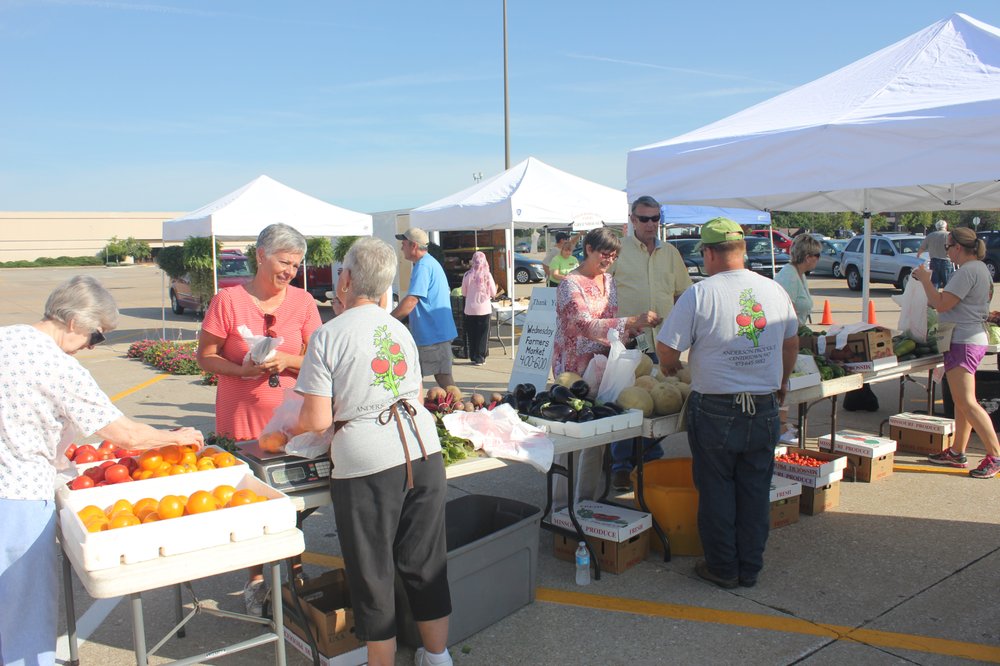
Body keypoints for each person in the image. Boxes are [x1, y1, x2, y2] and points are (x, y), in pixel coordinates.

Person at [0, 275, 204, 666]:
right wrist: (175, 437)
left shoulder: (7, 337)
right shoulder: (58, 366)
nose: (93, 346)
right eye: (96, 336)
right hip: (21, 497)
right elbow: (125, 435)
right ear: (75, 322)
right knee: (25, 605)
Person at [295, 237, 452, 666]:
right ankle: (437, 657)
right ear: (386, 288)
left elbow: (316, 420)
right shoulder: (399, 328)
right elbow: (415, 393)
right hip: (423, 451)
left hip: (367, 462)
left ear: (344, 280)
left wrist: (289, 432)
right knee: (425, 562)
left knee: (372, 573)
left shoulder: (328, 335)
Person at [656, 218, 798, 589]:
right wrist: (782, 381)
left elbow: (666, 347)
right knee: (753, 489)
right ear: (743, 251)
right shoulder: (773, 289)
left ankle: (723, 567)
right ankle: (749, 567)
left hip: (717, 407)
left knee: (718, 489)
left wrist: (671, 369)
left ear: (707, 253)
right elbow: (791, 342)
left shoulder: (701, 293)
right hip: (765, 405)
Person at [197, 222, 322, 615]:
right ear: (260, 256)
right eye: (284, 262)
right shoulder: (228, 301)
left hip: (290, 417)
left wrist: (286, 360)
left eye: (296, 265)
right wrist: (240, 370)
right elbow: (205, 355)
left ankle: (294, 572)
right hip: (240, 413)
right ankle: (255, 579)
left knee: (297, 496)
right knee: (250, 499)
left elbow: (319, 358)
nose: (290, 271)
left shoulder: (303, 302)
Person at [552, 227, 658, 502]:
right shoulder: (569, 285)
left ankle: (587, 502)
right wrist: (631, 321)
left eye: (613, 256)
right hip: (573, 371)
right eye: (604, 254)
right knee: (571, 438)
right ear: (588, 249)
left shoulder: (609, 281)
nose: (608, 260)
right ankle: (562, 506)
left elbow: (609, 323)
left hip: (604, 366)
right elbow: (583, 325)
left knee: (597, 439)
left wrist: (627, 333)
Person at [608, 195, 692, 490]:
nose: (650, 224)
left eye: (655, 218)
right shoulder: (618, 251)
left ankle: (649, 458)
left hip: (664, 344)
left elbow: (684, 294)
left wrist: (686, 328)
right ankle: (620, 466)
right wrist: (623, 325)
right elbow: (600, 291)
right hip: (629, 344)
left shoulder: (670, 253)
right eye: (644, 218)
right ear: (632, 220)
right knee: (628, 405)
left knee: (662, 406)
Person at [914, 227, 1000, 479]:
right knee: (962, 402)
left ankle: (995, 455)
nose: (947, 252)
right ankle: (956, 451)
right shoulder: (980, 269)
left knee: (967, 402)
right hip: (969, 338)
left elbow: (940, 305)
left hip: (963, 340)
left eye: (948, 247)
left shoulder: (967, 272)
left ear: (958, 248)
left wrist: (925, 280)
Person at [392, 227, 458, 390]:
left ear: (413, 246)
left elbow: (412, 300)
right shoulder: (426, 263)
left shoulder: (423, 266)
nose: (401, 248)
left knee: (442, 377)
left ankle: (458, 409)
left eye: (404, 244)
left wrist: (387, 320)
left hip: (433, 333)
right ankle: (456, 408)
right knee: (429, 376)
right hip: (434, 332)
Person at [775, 234, 822, 326]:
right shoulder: (789, 277)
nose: (819, 258)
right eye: (817, 255)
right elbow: (787, 316)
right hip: (788, 337)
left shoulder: (800, 273)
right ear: (808, 258)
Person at [461, 251, 497, 366]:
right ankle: (480, 357)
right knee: (483, 334)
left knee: (472, 334)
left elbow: (463, 292)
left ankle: (473, 356)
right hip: (484, 309)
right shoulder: (487, 275)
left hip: (470, 309)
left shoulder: (467, 275)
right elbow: (493, 292)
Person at [917, 220, 954, 288]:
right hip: (946, 261)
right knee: (948, 285)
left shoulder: (930, 235)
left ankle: (934, 298)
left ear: (936, 227)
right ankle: (947, 298)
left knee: (934, 284)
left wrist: (918, 257)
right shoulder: (949, 235)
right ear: (945, 227)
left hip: (934, 261)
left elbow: (922, 248)